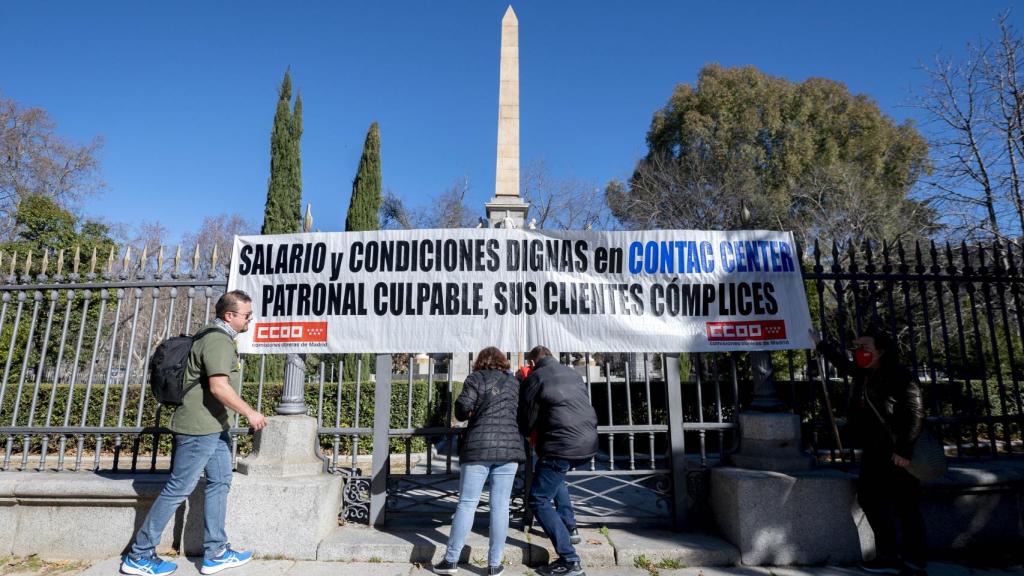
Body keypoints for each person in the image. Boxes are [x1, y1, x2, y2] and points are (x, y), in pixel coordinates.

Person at [121, 290, 268, 576]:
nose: (250, 319)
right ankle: (139, 555)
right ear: (230, 315)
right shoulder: (217, 340)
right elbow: (218, 387)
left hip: (213, 427)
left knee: (220, 481)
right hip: (199, 429)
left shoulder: (216, 338)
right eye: (246, 315)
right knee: (179, 488)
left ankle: (215, 552)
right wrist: (250, 412)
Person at [812, 328, 926, 575]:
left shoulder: (899, 375)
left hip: (897, 450)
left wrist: (904, 449)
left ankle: (915, 560)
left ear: (881, 350)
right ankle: (888, 554)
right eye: (855, 347)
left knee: (906, 505)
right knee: (869, 497)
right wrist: (820, 344)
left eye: (864, 347)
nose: (858, 352)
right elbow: (843, 363)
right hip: (875, 448)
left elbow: (916, 413)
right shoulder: (865, 373)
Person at [434, 347, 526, 576]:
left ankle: (451, 560)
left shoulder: (475, 378)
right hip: (508, 450)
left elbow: (463, 410)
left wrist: (472, 412)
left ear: (481, 362)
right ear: (503, 362)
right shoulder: (514, 382)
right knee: (501, 506)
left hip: (478, 448)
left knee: (467, 503)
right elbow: (521, 413)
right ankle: (494, 564)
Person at [518, 346, 598, 576]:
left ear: (532, 363)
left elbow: (527, 418)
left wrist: (527, 430)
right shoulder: (572, 373)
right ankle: (570, 526)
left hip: (560, 445)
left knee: (538, 499)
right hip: (588, 442)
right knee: (554, 479)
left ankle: (569, 559)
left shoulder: (536, 377)